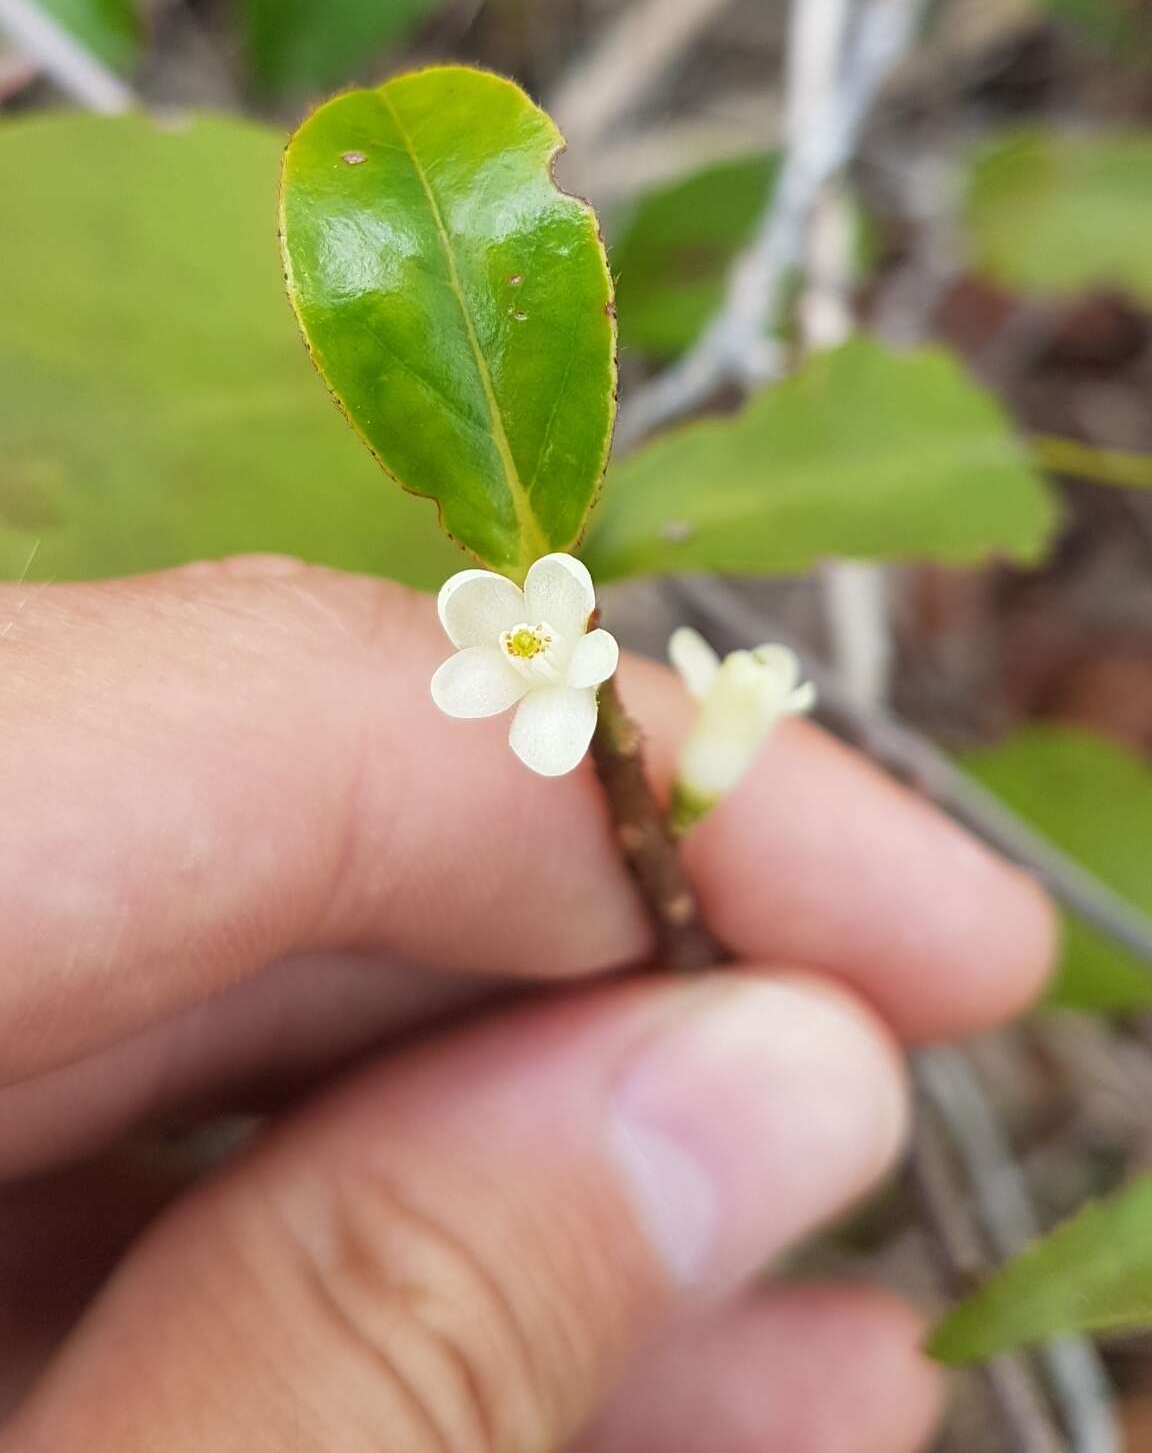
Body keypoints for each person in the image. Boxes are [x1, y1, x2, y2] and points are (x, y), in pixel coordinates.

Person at [0, 556, 1054, 1451]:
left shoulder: (568, 659)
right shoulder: (524, 686)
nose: (528, 651)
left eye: (542, 644)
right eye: (521, 648)